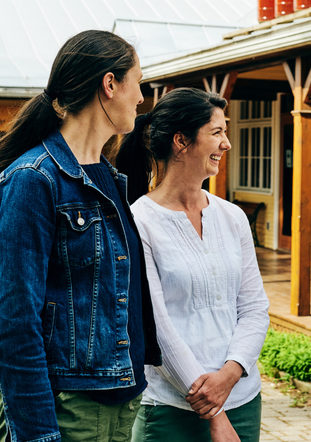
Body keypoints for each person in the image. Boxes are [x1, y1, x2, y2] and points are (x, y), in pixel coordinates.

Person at [0, 30, 162, 442]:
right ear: (110, 84)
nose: (141, 97)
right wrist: (39, 433)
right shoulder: (34, 178)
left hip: (120, 401)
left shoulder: (108, 175)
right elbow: (15, 324)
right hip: (68, 410)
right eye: (138, 82)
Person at [115, 87, 269, 442]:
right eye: (217, 132)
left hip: (243, 399)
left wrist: (230, 374)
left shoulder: (232, 216)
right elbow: (156, 327)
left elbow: (254, 307)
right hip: (170, 409)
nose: (227, 143)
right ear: (181, 141)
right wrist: (213, 411)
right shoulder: (137, 222)